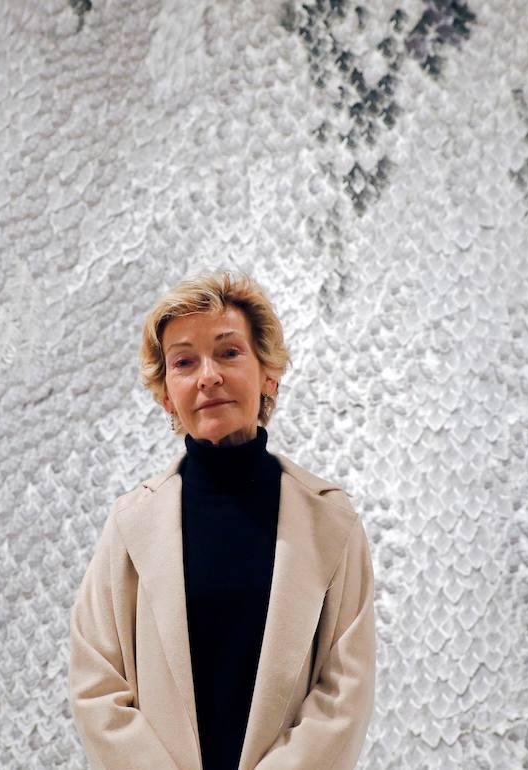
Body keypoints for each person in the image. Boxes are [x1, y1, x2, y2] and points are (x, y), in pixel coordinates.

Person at [68, 269, 376, 770]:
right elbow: (96, 684)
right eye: (184, 362)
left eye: (229, 352)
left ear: (268, 373)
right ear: (167, 394)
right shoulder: (130, 525)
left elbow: (344, 693)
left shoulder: (331, 522)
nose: (207, 375)